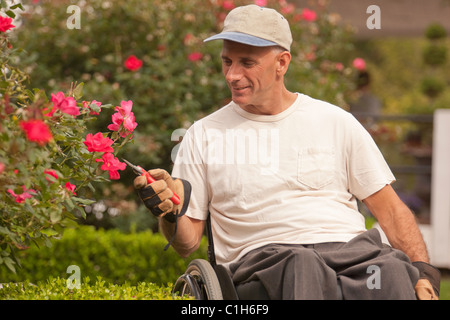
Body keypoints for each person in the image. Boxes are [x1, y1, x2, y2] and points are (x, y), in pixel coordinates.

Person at [134, 5, 440, 300]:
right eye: (227, 62)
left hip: (351, 254)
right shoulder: (203, 135)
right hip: (265, 262)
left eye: (247, 63)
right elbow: (187, 244)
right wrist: (170, 212)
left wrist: (425, 271)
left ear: (282, 63)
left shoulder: (337, 122)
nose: (232, 75)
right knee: (302, 265)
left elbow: (390, 209)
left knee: (390, 271)